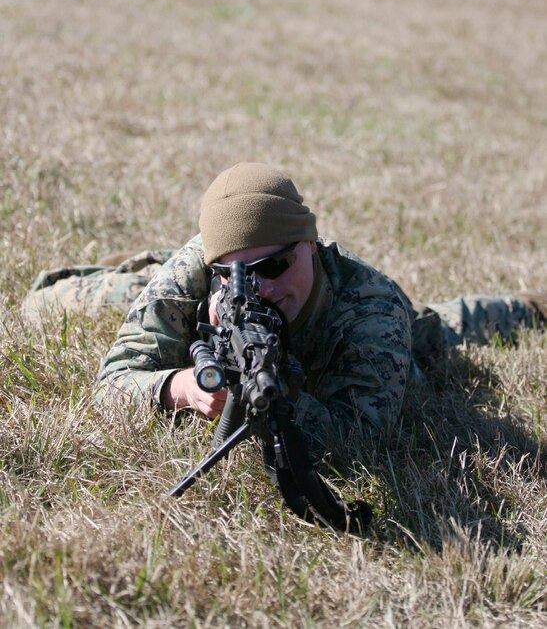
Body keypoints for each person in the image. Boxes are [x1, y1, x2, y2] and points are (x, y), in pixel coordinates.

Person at [23, 162, 545, 463]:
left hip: (373, 326)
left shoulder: (371, 308)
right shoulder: (197, 271)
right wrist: (179, 388)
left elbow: (360, 440)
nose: (257, 288)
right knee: (49, 300)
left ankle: (529, 306)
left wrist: (277, 398)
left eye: (273, 266)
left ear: (310, 247)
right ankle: (142, 270)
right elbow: (110, 383)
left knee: (437, 329)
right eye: (232, 274)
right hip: (178, 274)